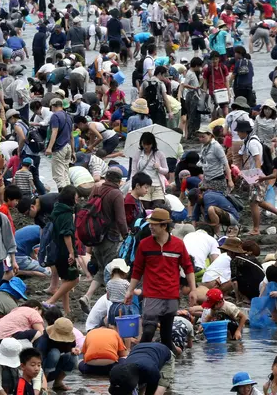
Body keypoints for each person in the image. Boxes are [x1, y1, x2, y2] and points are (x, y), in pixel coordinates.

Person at [125, 208, 196, 352]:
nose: (150, 227)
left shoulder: (178, 245)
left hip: (171, 296)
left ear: (164, 226)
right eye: (150, 224)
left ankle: (172, 360)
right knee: (148, 332)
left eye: (154, 224)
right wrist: (129, 290)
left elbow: (188, 268)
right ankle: (138, 360)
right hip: (151, 295)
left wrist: (193, 290)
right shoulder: (144, 244)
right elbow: (137, 270)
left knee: (165, 337)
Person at [79, 169, 128, 313]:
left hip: (95, 236)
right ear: (119, 181)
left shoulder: (96, 188)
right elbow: (120, 218)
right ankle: (109, 304)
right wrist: (125, 235)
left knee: (101, 269)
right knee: (112, 271)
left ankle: (87, 296)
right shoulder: (116, 193)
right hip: (110, 237)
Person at [43, 186, 80, 312]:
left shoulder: (57, 210)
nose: (78, 199)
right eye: (76, 196)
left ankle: (67, 310)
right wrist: (71, 252)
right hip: (65, 251)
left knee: (65, 279)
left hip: (56, 250)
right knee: (74, 279)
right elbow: (67, 234)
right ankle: (51, 301)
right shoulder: (67, 214)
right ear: (71, 198)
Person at [108, 343, 174, 395]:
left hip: (163, 352)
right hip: (140, 349)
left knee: (158, 390)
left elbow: (151, 390)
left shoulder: (151, 370)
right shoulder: (120, 370)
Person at [46, 98, 75, 189]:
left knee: (58, 176)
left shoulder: (55, 116)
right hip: (68, 147)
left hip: (59, 148)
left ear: (53, 106)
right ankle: (70, 195)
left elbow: (54, 132)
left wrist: (49, 148)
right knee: (65, 175)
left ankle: (63, 198)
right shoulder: (68, 116)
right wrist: (73, 151)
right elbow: (71, 136)